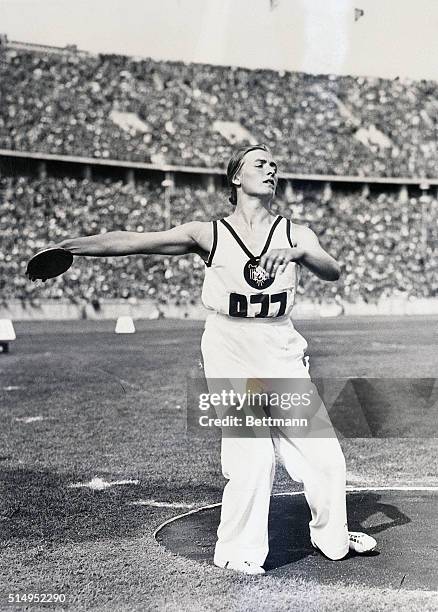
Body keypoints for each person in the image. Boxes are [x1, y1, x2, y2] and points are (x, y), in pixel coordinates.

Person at [32, 143, 377, 574]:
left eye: (274, 164)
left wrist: (297, 253)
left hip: (280, 345)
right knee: (253, 457)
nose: (270, 169)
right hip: (229, 345)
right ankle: (237, 552)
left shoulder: (296, 233)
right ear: (236, 177)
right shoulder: (209, 233)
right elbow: (136, 241)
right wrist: (70, 247)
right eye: (259, 163)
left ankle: (334, 539)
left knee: (324, 457)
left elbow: (332, 269)